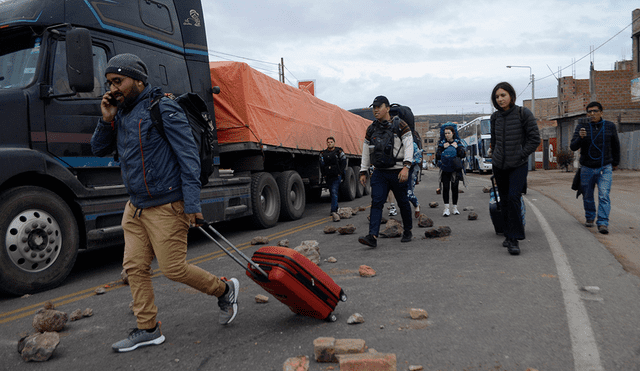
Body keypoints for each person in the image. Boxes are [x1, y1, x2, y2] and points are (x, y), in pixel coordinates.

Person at [90, 54, 240, 353]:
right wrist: (106, 120)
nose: (113, 88)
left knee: (172, 268)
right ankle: (147, 329)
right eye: (109, 83)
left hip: (167, 204)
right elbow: (98, 149)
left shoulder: (163, 107)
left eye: (118, 81)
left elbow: (188, 156)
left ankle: (224, 289)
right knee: (135, 267)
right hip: (135, 207)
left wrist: (193, 202)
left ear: (138, 80)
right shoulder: (120, 113)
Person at [489, 82, 540, 255]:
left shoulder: (523, 113)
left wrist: (521, 154)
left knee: (513, 198)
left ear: (511, 95)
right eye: (497, 97)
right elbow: (494, 141)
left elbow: (534, 139)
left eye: (503, 95)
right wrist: (494, 156)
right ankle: (508, 234)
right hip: (499, 166)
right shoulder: (495, 117)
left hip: (517, 165)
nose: (500, 99)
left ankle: (514, 238)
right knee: (503, 200)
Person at [358, 95, 414, 248]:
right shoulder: (371, 128)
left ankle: (408, 230)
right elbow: (365, 151)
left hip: (398, 171)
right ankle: (372, 236)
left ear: (387, 108)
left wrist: (406, 167)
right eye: (374, 107)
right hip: (379, 172)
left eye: (379, 107)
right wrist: (363, 170)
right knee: (376, 203)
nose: (375, 110)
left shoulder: (400, 125)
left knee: (402, 202)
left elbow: (409, 145)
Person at [570, 101, 620, 234]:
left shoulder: (609, 126)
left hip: (605, 167)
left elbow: (616, 145)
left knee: (604, 195)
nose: (592, 114)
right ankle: (590, 216)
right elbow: (573, 146)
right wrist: (580, 137)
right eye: (589, 111)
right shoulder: (582, 127)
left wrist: (615, 162)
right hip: (587, 168)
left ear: (601, 113)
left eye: (595, 111)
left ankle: (603, 223)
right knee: (587, 195)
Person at [436, 125, 465, 217]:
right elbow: (437, 156)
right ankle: (446, 208)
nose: (447, 135)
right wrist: (443, 148)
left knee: (455, 188)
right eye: (445, 133)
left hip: (455, 169)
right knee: (445, 188)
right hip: (445, 169)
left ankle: (455, 208)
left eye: (449, 133)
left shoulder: (458, 142)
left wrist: (457, 148)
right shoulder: (442, 143)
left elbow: (463, 154)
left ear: (453, 133)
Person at [319, 137, 347, 216]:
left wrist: (340, 172)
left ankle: (333, 210)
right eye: (328, 142)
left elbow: (344, 162)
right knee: (332, 192)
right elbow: (321, 164)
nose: (330, 143)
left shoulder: (339, 151)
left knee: (334, 191)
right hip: (328, 176)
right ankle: (336, 207)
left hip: (336, 175)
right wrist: (324, 174)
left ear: (334, 143)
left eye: (331, 142)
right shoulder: (323, 153)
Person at [408, 131, 424, 218]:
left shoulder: (413, 145)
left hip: (411, 171)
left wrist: (409, 163)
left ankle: (416, 205)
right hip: (397, 171)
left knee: (409, 193)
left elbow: (418, 159)